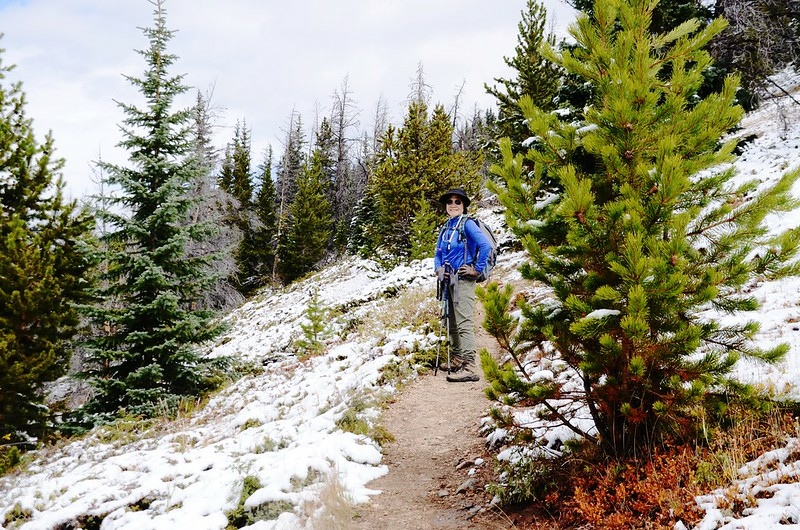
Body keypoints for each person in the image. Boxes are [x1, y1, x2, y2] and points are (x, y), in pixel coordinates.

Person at [434, 188, 493, 383]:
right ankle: (457, 358)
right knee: (450, 320)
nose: (453, 204)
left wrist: (476, 269)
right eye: (450, 201)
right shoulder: (446, 227)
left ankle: (470, 366)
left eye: (457, 202)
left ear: (464, 206)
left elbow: (486, 246)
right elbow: (438, 253)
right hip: (448, 279)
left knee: (464, 322)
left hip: (463, 280)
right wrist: (438, 268)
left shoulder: (467, 224)